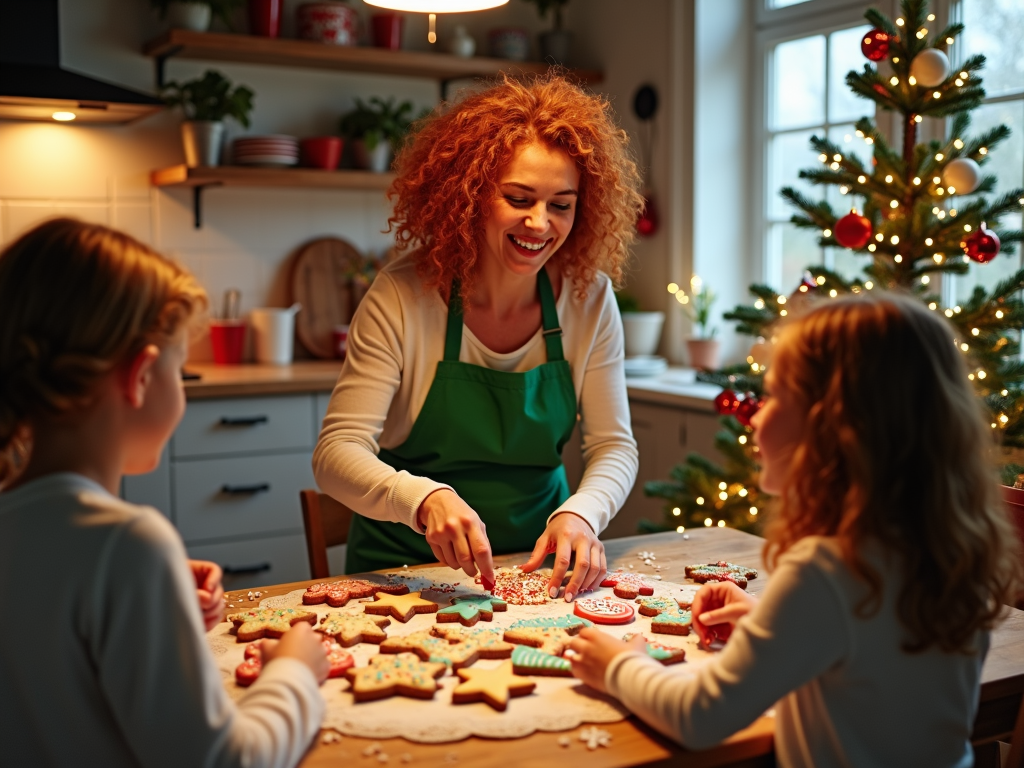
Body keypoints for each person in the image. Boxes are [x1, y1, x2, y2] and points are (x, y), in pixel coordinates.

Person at [568, 293, 1023, 766]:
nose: (757, 415)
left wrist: (620, 665)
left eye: (775, 396)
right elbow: (871, 658)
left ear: (835, 427)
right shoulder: (950, 552)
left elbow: (700, 716)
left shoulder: (825, 569)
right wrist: (768, 620)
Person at [0, 219, 328, 767]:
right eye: (181, 369)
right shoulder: (128, 545)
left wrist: (155, 601)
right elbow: (225, 761)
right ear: (141, 376)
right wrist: (294, 669)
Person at [313, 74, 644, 601]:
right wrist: (424, 500)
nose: (539, 223)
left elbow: (613, 446)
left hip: (541, 569)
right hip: (403, 574)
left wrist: (582, 514)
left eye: (561, 204)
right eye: (518, 198)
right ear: (466, 195)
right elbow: (335, 454)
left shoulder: (589, 299)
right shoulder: (403, 295)